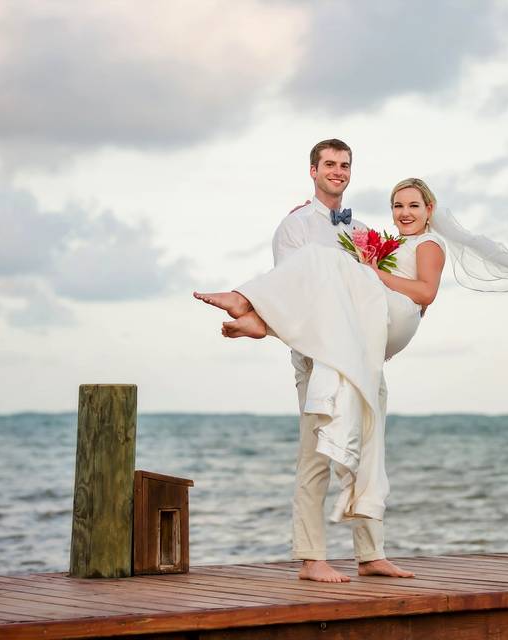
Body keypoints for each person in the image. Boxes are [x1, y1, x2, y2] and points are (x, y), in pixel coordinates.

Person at [195, 141, 443, 583]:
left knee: (368, 447)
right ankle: (312, 557)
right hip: (318, 355)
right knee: (316, 456)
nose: (338, 171)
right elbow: (301, 297)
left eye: (345, 165)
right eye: (329, 164)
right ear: (313, 171)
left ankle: (371, 554)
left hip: (365, 354)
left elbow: (386, 293)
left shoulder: (364, 231)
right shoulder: (295, 227)